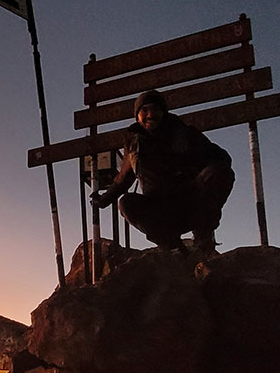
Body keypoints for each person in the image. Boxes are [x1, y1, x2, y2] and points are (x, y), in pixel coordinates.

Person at [89, 89, 234, 253]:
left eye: (156, 109)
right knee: (126, 203)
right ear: (137, 115)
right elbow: (122, 179)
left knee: (219, 172)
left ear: (164, 113)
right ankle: (173, 248)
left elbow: (221, 158)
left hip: (191, 204)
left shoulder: (185, 133)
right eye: (144, 110)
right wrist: (103, 200)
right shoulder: (133, 146)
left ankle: (203, 238)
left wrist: (200, 173)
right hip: (160, 211)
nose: (150, 114)